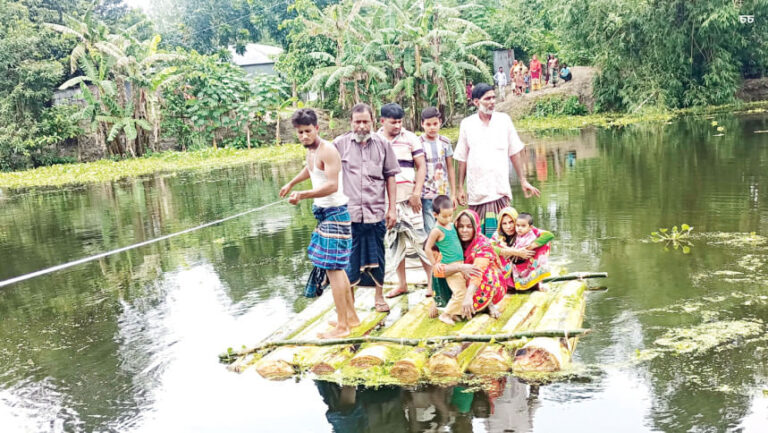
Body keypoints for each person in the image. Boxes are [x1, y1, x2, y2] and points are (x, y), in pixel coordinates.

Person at [279, 108, 360, 338]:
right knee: (337, 269)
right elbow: (311, 169)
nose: (304, 136)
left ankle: (343, 327)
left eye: (308, 131)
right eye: (300, 132)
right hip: (324, 214)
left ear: (317, 128)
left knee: (333, 269)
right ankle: (351, 318)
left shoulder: (328, 150)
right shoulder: (310, 151)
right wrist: (292, 183)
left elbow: (333, 185)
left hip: (336, 213)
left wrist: (303, 195)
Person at [333, 103, 400, 313]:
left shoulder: (383, 144)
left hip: (376, 211)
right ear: (351, 123)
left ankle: (379, 298)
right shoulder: (339, 144)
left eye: (365, 122)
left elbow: (390, 177)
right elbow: (323, 169)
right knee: (349, 259)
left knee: (378, 255)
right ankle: (349, 302)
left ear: (372, 122)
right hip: (349, 214)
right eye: (357, 122)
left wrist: (392, 209)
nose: (361, 126)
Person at [454, 83, 540, 239]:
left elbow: (514, 152)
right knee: (478, 237)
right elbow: (462, 158)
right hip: (477, 191)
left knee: (506, 233)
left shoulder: (504, 121)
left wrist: (523, 180)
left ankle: (505, 262)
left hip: (500, 189)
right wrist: (460, 187)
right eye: (487, 99)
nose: (492, 101)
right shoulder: (467, 124)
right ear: (476, 102)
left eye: (494, 97)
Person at [377, 103, 433, 299]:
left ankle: (431, 283)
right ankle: (402, 284)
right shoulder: (375, 140)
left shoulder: (410, 138)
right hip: (385, 201)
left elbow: (421, 166)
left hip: (410, 198)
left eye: (400, 122)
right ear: (382, 121)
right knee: (394, 242)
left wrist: (417, 192)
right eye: (393, 123)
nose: (398, 126)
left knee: (420, 240)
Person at [432, 209, 506, 319]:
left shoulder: (483, 244)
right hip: (460, 281)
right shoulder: (450, 241)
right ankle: (446, 303)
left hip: (479, 282)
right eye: (461, 226)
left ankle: (487, 304)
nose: (464, 230)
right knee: (440, 270)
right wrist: (459, 267)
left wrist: (468, 296)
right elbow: (437, 270)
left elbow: (478, 273)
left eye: (469, 227)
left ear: (475, 228)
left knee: (487, 273)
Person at [424, 195, 466, 325]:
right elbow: (427, 248)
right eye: (445, 216)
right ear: (435, 215)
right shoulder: (437, 230)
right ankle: (446, 314)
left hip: (460, 264)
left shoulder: (451, 225)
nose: (448, 219)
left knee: (459, 290)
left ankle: (454, 313)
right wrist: (434, 263)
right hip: (450, 266)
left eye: (450, 215)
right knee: (460, 292)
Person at [419, 106, 456, 234]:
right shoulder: (418, 143)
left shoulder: (445, 142)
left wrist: (453, 194)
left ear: (440, 122)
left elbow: (450, 167)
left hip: (443, 193)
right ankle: (432, 253)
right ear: (422, 124)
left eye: (435, 124)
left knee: (446, 226)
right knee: (430, 228)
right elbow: (417, 168)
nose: (432, 127)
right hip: (426, 193)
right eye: (428, 124)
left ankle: (445, 253)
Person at [490, 207, 534, 289]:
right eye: (504, 223)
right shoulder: (497, 234)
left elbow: (546, 236)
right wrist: (515, 252)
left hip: (523, 268)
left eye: (511, 222)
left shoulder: (524, 230)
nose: (508, 227)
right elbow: (489, 248)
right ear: (500, 224)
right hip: (506, 270)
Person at [511, 212, 553, 291]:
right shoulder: (516, 235)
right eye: (517, 225)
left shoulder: (532, 235)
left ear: (530, 227)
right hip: (518, 263)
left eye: (523, 226)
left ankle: (539, 281)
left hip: (529, 262)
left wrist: (532, 246)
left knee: (544, 243)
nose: (519, 228)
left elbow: (549, 235)